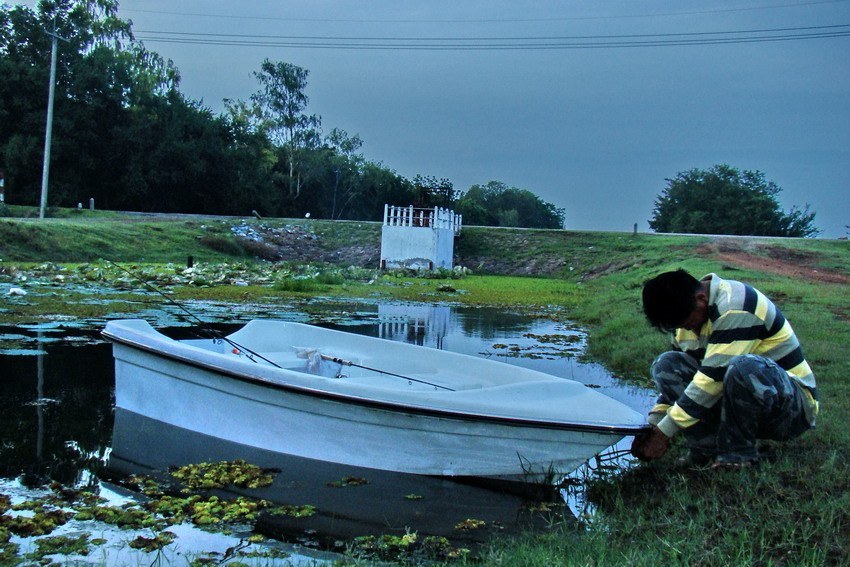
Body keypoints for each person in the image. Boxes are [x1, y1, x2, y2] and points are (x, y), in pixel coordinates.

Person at [631, 269, 819, 468]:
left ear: (701, 299)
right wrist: (652, 425)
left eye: (688, 324)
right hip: (741, 399)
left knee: (743, 368)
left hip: (791, 409)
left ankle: (738, 455)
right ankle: (707, 450)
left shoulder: (736, 307)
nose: (688, 331)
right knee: (666, 365)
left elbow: (713, 379)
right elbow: (689, 386)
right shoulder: (686, 318)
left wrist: (664, 432)